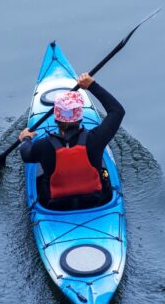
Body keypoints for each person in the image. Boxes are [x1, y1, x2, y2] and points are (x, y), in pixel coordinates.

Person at [19, 73, 125, 210]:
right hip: (95, 201)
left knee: (41, 180)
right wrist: (92, 85)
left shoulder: (43, 145)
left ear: (56, 119)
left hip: (56, 206)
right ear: (80, 117)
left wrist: (25, 138)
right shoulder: (96, 139)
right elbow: (117, 111)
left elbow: (25, 155)